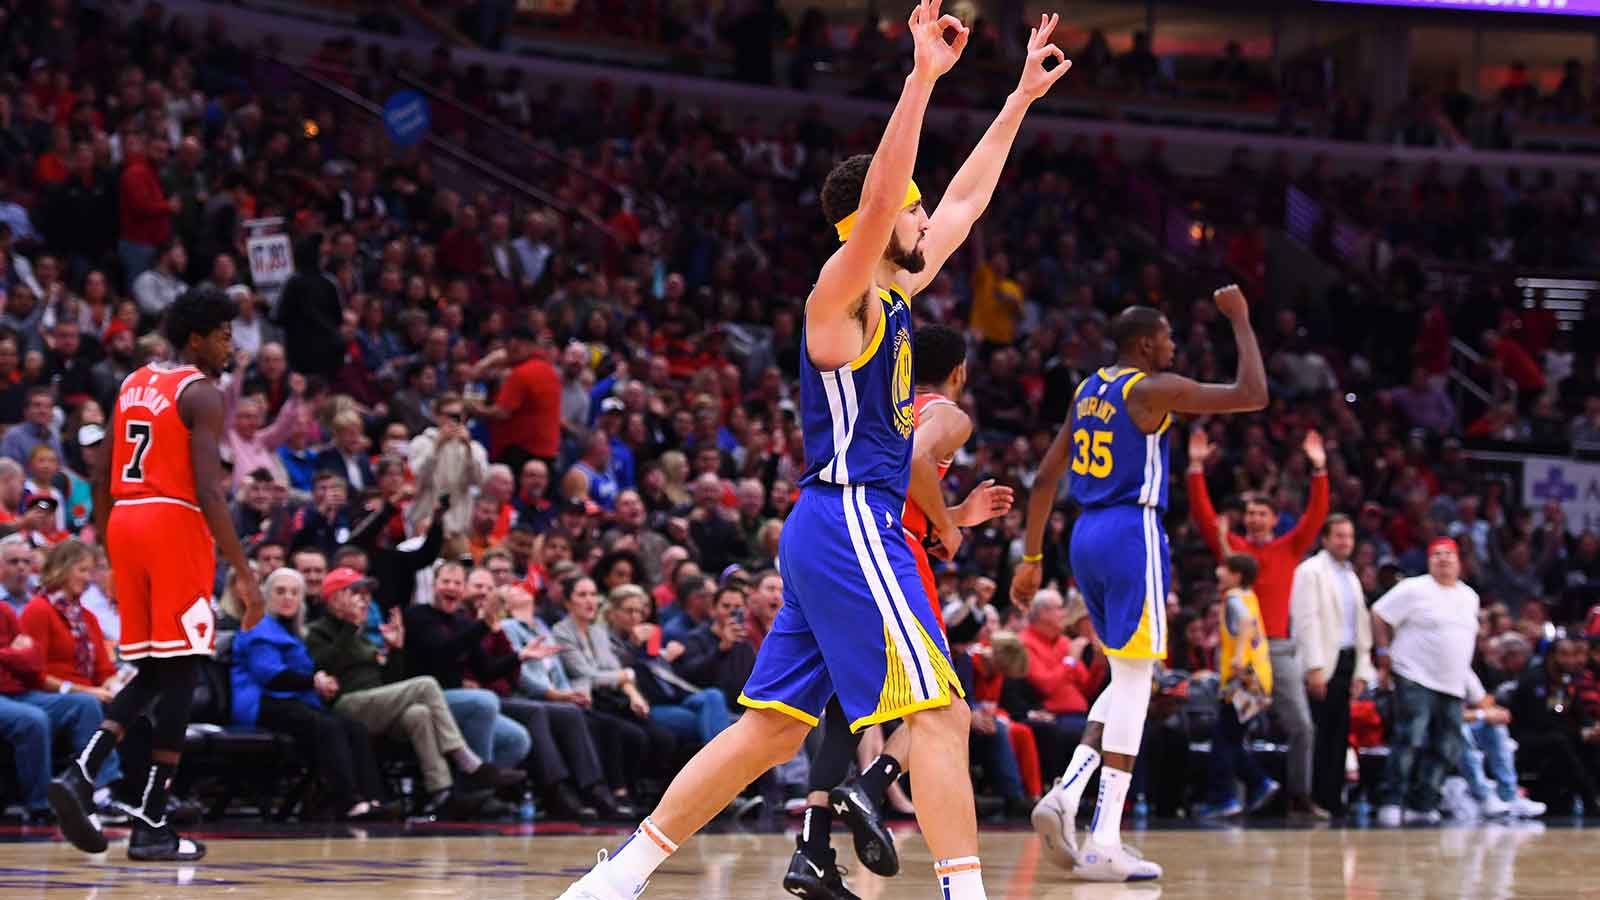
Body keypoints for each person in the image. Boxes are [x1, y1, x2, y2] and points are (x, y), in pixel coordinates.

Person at [563, 7, 1073, 897]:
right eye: (908, 209)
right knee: (945, 719)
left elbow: (964, 200)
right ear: (872, 223)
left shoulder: (898, 286)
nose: (925, 219)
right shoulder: (840, 300)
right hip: (854, 521)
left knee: (772, 731)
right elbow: (887, 199)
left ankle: (619, 877)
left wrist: (1019, 99)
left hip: (823, 528)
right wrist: (920, 80)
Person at [1014, 283, 1267, 881]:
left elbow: (1045, 479)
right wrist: (1241, 320)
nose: (1175, 346)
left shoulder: (1086, 391)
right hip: (1132, 531)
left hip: (1085, 535)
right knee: (1138, 681)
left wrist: (1030, 557)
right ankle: (1103, 839)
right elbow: (1252, 394)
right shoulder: (1151, 389)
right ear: (1148, 343)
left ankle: (1067, 793)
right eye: (1170, 338)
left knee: (1126, 675)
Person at [52, 286, 263, 862]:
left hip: (124, 520)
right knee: (184, 669)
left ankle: (85, 772)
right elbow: (209, 490)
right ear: (196, 337)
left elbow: (99, 478)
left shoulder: (134, 382)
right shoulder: (201, 392)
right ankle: (149, 820)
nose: (230, 345)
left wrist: (106, 548)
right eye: (223, 334)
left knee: (155, 669)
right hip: (174, 523)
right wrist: (245, 575)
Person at [1186, 426, 1328, 817]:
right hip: (1239, 652)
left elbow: (1316, 517)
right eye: (1250, 513)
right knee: (1231, 728)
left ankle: (1297, 797)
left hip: (1277, 650)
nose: (1255, 518)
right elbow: (1203, 515)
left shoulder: (1289, 547)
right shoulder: (1236, 555)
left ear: (1275, 518)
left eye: (1262, 513)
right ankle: (1236, 796)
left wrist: (1319, 471)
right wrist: (1196, 469)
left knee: (1300, 726)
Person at [305, 566, 510, 820]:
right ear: (334, 598)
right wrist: (348, 628)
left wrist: (395, 651)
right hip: (347, 706)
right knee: (425, 684)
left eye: (367, 594)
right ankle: (467, 761)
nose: (365, 600)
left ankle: (442, 794)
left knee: (419, 714)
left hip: (377, 704)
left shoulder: (363, 637)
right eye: (356, 593)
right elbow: (324, 665)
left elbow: (389, 679)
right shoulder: (317, 631)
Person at [230, 567, 399, 821]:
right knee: (326, 727)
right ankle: (348, 802)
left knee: (353, 727)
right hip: (262, 702)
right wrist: (314, 682)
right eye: (280, 591)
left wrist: (320, 683)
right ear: (267, 596)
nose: (288, 597)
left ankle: (374, 799)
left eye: (295, 592)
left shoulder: (294, 632)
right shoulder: (258, 626)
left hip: (293, 700)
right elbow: (272, 676)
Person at [1, 540, 123, 822]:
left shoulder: (86, 617)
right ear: (63, 570)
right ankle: (61, 800)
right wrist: (87, 690)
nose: (89, 578)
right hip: (42, 691)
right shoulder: (37, 610)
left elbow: (104, 670)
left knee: (129, 705)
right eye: (83, 570)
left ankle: (136, 792)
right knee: (81, 706)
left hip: (67, 692)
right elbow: (33, 670)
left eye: (92, 571)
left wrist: (115, 686)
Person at [1371, 538, 1481, 827]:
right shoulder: (1413, 588)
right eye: (1436, 555)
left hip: (1453, 683)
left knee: (1449, 746)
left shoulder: (1470, 596)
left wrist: (1474, 689)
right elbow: (1379, 615)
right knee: (1410, 738)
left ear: (1459, 562)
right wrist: (1383, 653)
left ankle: (1424, 801)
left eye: (1448, 555)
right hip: (1414, 675)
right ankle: (1392, 799)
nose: (1442, 559)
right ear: (1429, 561)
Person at [1290, 514, 1378, 816]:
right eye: (1339, 536)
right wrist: (1313, 666)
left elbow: (1360, 625)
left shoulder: (1350, 575)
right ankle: (1309, 797)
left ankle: (1331, 798)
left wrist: (1362, 670)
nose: (1345, 542)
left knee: (1339, 733)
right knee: (1317, 731)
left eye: (1349, 536)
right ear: (1325, 539)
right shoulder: (1310, 571)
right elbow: (1306, 620)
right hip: (1322, 660)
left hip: (1346, 659)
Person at [1194, 553, 1280, 818]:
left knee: (1223, 739)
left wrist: (1238, 657)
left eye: (1224, 568)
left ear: (1236, 575)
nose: (1219, 571)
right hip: (1259, 677)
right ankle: (1258, 783)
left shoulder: (1232, 598)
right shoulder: (1248, 594)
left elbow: (1244, 623)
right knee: (1230, 737)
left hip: (1242, 678)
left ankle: (1225, 798)